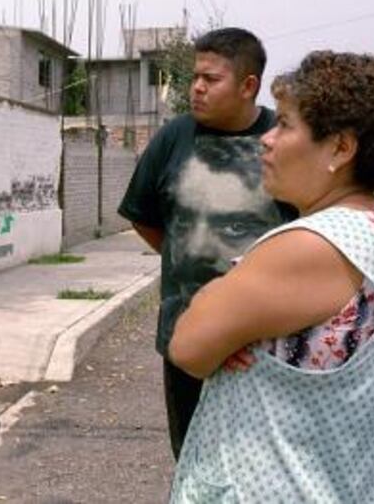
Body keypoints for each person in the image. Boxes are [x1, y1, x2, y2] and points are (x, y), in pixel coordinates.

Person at [167, 50, 374, 503]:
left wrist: (220, 308)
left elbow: (188, 347)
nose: (267, 139)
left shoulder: (311, 246)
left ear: (340, 149)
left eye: (284, 124)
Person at [118, 27, 293, 459]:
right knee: (191, 458)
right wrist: (189, 259)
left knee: (261, 464)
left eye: (211, 79)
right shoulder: (173, 138)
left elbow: (305, 240)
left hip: (265, 347)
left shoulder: (283, 141)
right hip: (186, 337)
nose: (196, 87)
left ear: (248, 86)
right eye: (195, 76)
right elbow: (145, 218)